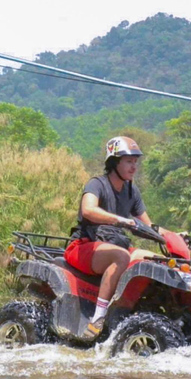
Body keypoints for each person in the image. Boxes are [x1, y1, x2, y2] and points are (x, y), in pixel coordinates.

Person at [64, 136, 164, 340]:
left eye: (136, 161)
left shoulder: (131, 191)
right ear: (114, 162)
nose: (134, 166)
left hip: (115, 247)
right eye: (129, 161)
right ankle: (98, 318)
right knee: (121, 257)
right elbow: (89, 209)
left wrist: (175, 236)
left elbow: (150, 226)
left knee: (156, 261)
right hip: (84, 247)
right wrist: (120, 220)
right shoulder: (97, 184)